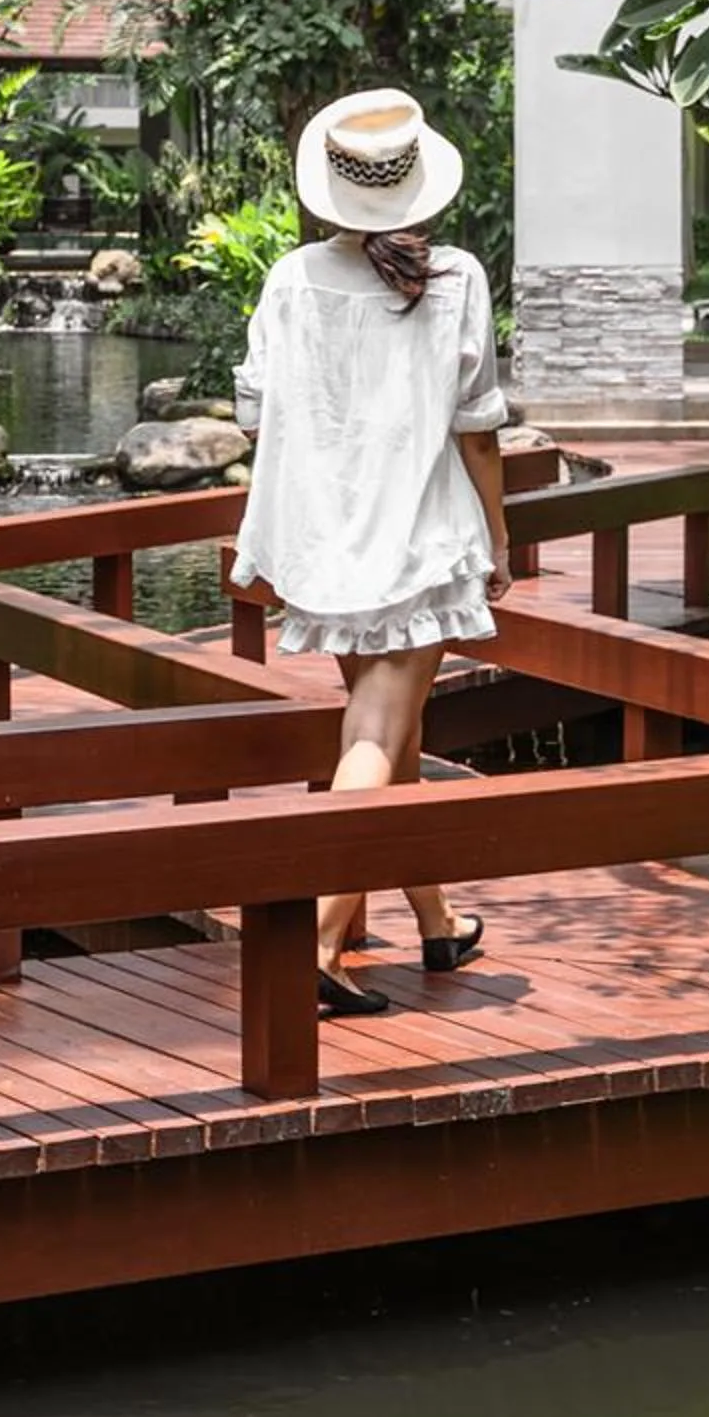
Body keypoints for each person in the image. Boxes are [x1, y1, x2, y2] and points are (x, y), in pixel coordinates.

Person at [229, 87, 512, 1017]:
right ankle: (307, 948)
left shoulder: (291, 280)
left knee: (397, 736)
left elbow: (256, 413)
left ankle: (434, 922)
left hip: (327, 541)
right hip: (417, 539)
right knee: (376, 737)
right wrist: (501, 540)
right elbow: (477, 432)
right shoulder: (456, 279)